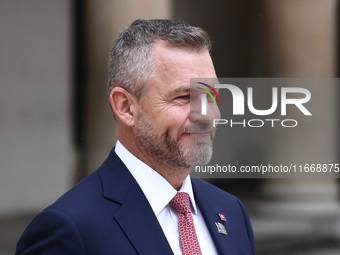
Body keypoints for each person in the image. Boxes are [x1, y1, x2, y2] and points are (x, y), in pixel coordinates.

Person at [16, 19, 255, 255]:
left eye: (212, 96)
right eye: (183, 97)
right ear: (126, 107)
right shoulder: (69, 229)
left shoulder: (231, 212)